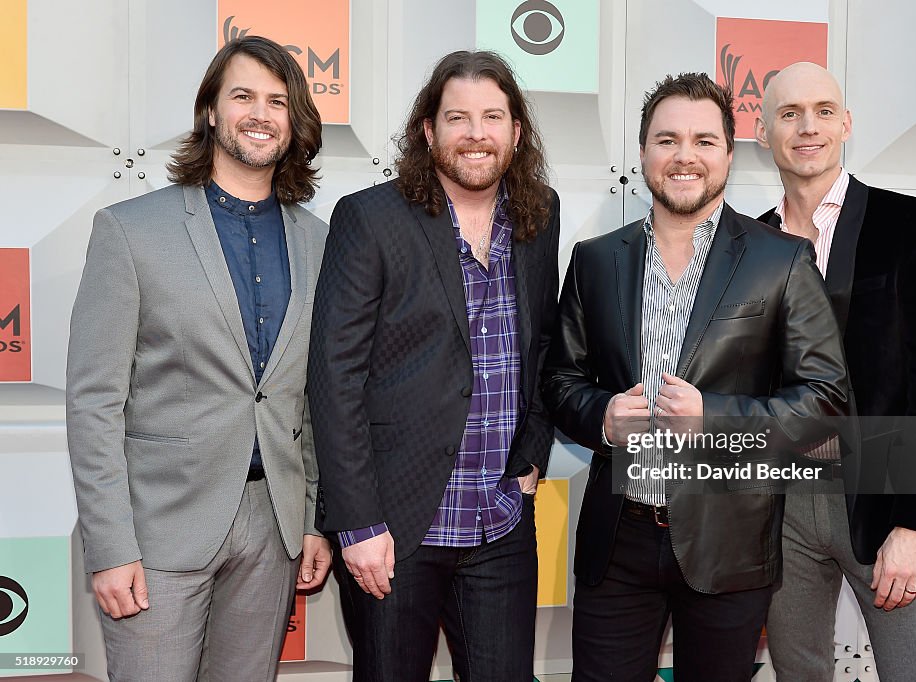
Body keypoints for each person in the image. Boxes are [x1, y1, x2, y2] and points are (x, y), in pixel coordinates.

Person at [542, 72, 850, 682]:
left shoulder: (781, 259)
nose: (685, 156)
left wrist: (714, 418)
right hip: (618, 543)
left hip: (730, 543)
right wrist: (600, 416)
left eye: (704, 141)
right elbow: (559, 380)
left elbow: (825, 401)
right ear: (642, 153)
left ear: (730, 155)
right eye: (667, 140)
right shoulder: (595, 260)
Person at [66, 35, 331, 681]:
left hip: (274, 527)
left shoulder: (322, 243)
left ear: (294, 122)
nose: (260, 114)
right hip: (158, 531)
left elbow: (316, 396)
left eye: (277, 101)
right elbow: (95, 399)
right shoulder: (130, 231)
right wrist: (111, 547)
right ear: (211, 111)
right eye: (242, 96)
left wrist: (316, 517)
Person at [308, 50, 560, 681]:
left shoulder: (539, 214)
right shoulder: (371, 218)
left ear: (516, 131)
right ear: (428, 131)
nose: (476, 133)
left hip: (500, 519)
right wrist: (358, 521)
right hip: (395, 528)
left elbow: (545, 345)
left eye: (492, 117)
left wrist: (529, 461)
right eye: (457, 118)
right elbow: (333, 377)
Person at [754, 62, 916, 681]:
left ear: (846, 124)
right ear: (764, 133)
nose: (807, 127)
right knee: (799, 674)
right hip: (783, 510)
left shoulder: (910, 225)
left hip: (886, 501)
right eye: (788, 113)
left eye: (823, 110)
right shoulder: (751, 244)